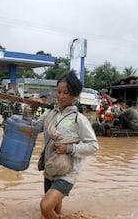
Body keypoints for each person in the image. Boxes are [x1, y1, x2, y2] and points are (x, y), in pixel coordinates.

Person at [36, 71, 99, 218]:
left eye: (66, 92)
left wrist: (69, 148)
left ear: (75, 95)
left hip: (68, 172)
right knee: (55, 210)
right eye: (59, 92)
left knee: (45, 207)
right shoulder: (50, 114)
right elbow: (34, 128)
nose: (61, 96)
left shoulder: (79, 119)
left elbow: (93, 146)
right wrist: (30, 111)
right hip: (51, 167)